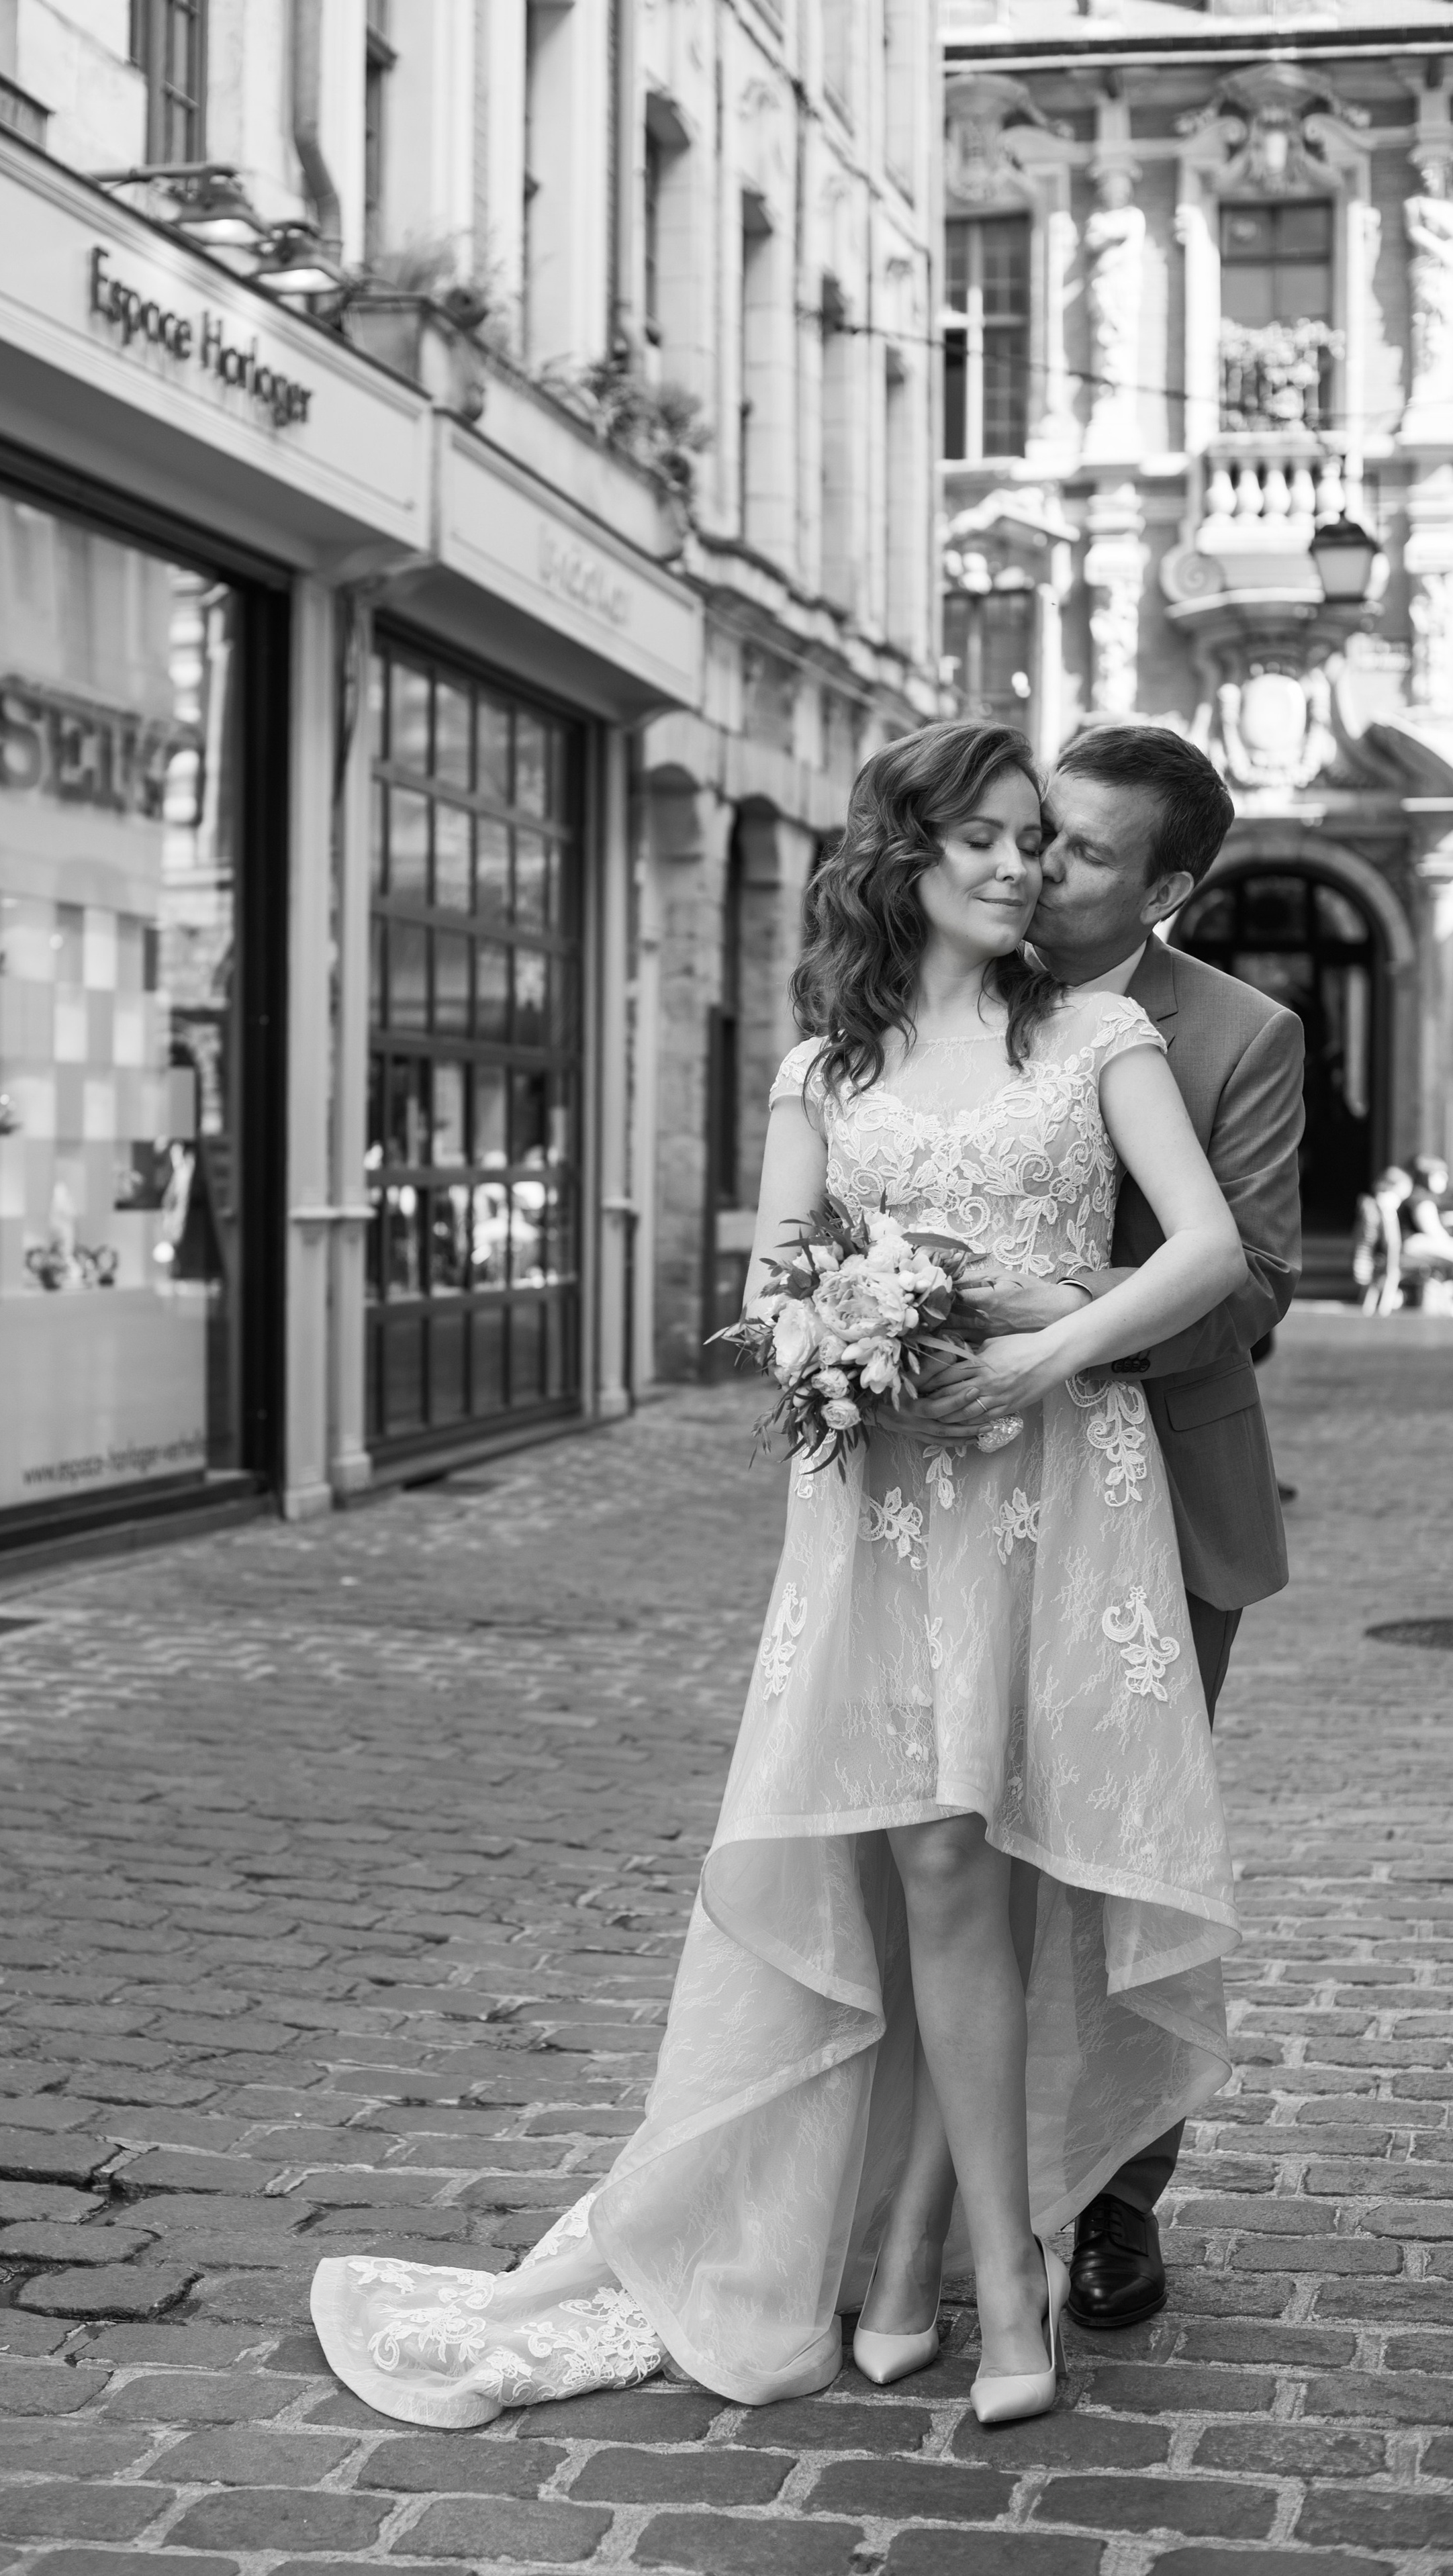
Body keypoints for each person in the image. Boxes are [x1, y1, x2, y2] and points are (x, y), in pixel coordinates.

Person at [310, 720, 1245, 2431]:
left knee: (990, 1865)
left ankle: (966, 2267)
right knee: (929, 1861)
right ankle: (964, 2264)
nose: (1017, 866)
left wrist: (1041, 1345)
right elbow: (769, 1295)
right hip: (882, 1501)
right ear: (901, 854)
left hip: (1052, 1487)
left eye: (1034, 839)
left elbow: (1208, 1250)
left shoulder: (1096, 1036)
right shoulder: (820, 1069)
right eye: (984, 836)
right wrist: (853, 1337)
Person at [941, 724, 1304, 2330]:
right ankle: (935, 2183)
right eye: (1037, 829)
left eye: (1081, 851)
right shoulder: (945, 983)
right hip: (955, 1484)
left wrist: (1061, 1309)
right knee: (945, 1847)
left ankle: (1113, 2198)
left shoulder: (1238, 1031)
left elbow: (1259, 1280)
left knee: (1114, 1859)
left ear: (1162, 889)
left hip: (1158, 1488)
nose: (1034, 865)